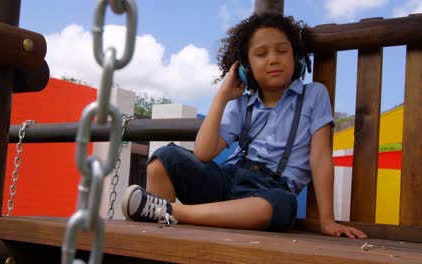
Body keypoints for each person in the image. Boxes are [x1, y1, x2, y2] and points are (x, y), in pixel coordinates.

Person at [121, 13, 367, 238]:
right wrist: (222, 96)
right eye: (261, 54)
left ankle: (169, 212)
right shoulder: (241, 104)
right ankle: (164, 240)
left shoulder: (314, 95)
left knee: (282, 203)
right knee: (164, 159)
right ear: (246, 69)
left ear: (298, 59)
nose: (273, 60)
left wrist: (327, 221)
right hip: (227, 180)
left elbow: (321, 158)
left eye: (282, 51)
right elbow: (204, 153)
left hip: (268, 191)